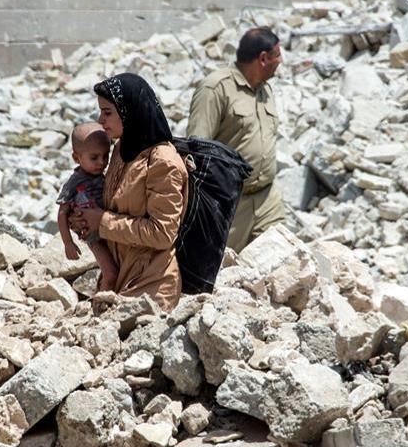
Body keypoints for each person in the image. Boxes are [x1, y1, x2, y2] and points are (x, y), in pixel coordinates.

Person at [70, 73, 187, 311]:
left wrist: (101, 221)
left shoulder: (163, 162)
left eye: (108, 112)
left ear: (129, 111)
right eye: (101, 112)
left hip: (152, 288)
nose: (101, 120)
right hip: (118, 277)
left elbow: (162, 234)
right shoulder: (122, 149)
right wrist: (83, 217)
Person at [187, 26, 286, 252]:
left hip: (267, 199)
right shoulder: (215, 89)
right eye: (277, 55)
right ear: (263, 58)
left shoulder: (265, 90)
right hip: (231, 204)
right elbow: (196, 150)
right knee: (223, 272)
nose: (280, 61)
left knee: (280, 261)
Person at [57, 122, 119, 291]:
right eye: (94, 158)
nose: (101, 162)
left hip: (111, 227)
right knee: (111, 271)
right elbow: (62, 213)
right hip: (93, 235)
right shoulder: (74, 182)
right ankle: (103, 300)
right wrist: (68, 242)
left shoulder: (103, 175)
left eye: (105, 156)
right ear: (77, 158)